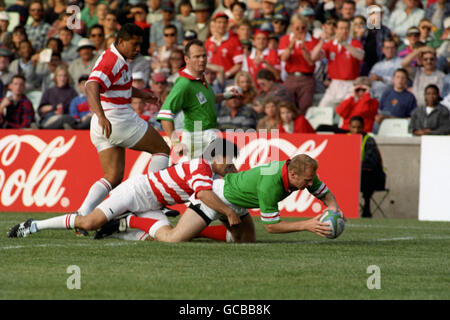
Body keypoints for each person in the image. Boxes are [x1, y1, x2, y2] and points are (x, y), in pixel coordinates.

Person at [8, 139, 242, 243]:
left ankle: (126, 222)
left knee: (169, 238)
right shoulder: (202, 168)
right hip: (135, 192)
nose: (231, 167)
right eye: (229, 162)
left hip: (152, 204)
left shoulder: (205, 171)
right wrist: (229, 213)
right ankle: (35, 225)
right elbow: (203, 195)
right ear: (217, 156)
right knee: (89, 223)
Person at [126, 154, 341, 242]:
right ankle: (129, 221)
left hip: (238, 203)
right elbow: (272, 227)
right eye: (307, 180)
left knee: (245, 242)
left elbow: (323, 193)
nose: (310, 184)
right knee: (173, 239)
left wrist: (334, 209)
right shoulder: (271, 185)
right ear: (292, 174)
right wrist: (308, 225)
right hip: (218, 198)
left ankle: (198, 231)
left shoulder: (302, 173)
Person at [78, 23, 170, 220]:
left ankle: (83, 213)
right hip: (117, 120)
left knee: (113, 176)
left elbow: (119, 87)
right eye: (134, 45)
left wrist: (142, 95)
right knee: (162, 150)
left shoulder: (118, 58)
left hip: (102, 125)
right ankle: (153, 203)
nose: (138, 49)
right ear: (121, 41)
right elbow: (92, 85)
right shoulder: (112, 60)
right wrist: (102, 115)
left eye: (140, 45)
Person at [157, 39, 239, 159]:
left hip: (208, 135)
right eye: (197, 57)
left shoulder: (200, 78)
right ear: (187, 59)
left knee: (213, 174)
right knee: (201, 175)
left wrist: (227, 95)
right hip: (195, 138)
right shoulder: (184, 84)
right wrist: (175, 143)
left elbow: (207, 100)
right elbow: (165, 114)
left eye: (204, 56)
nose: (202, 60)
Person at [311, 19, 365, 109]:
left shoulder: (355, 43)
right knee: (323, 108)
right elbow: (313, 57)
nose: (344, 31)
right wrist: (322, 41)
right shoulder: (330, 44)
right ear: (336, 30)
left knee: (347, 111)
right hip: (335, 84)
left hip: (350, 84)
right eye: (341, 28)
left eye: (346, 28)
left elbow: (360, 56)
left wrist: (345, 44)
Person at [279, 13, 318, 115]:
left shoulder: (313, 40)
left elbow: (311, 62)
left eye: (303, 27)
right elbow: (283, 58)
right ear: (292, 27)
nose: (300, 30)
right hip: (291, 76)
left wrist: (304, 48)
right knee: (288, 106)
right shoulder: (285, 39)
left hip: (307, 78)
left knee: (305, 106)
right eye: (297, 28)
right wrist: (291, 46)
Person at [348, 116, 385, 218]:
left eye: (359, 127)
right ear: (349, 127)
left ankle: (367, 207)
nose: (356, 130)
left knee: (367, 174)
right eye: (353, 127)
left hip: (372, 177)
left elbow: (372, 162)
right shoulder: (345, 138)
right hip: (350, 175)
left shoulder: (369, 140)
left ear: (363, 128)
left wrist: (356, 166)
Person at [204, 12, 244, 84]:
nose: (222, 25)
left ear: (227, 24)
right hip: (212, 81)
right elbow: (206, 63)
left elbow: (239, 64)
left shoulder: (234, 40)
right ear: (214, 24)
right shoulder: (208, 42)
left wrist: (226, 74)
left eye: (224, 22)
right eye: (219, 22)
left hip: (229, 80)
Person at [374, 68, 417, 133]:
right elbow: (380, 110)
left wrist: (391, 118)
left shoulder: (410, 97)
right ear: (393, 79)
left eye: (403, 78)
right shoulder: (386, 93)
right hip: (384, 125)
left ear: (406, 81)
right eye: (398, 77)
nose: (400, 80)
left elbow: (412, 118)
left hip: (400, 126)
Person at [37, 65, 78, 129]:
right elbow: (41, 109)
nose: (62, 78)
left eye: (64, 76)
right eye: (60, 76)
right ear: (56, 77)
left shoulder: (72, 92)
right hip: (50, 117)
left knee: (66, 119)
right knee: (52, 117)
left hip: (66, 117)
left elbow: (76, 109)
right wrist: (54, 108)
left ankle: (43, 128)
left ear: (68, 78)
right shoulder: (49, 92)